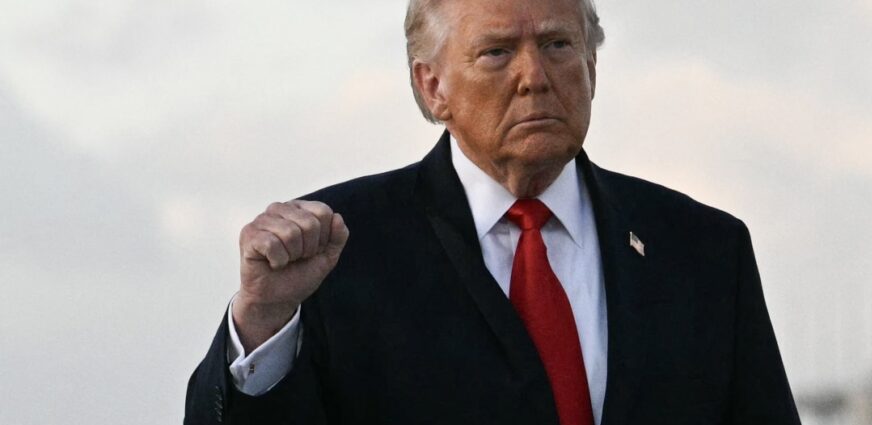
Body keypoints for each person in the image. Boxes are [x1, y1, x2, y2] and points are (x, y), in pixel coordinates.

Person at [184, 0, 801, 423]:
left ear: (592, 65)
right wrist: (262, 322)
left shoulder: (703, 250)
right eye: (498, 52)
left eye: (557, 44)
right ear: (432, 86)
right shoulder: (336, 251)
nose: (535, 76)